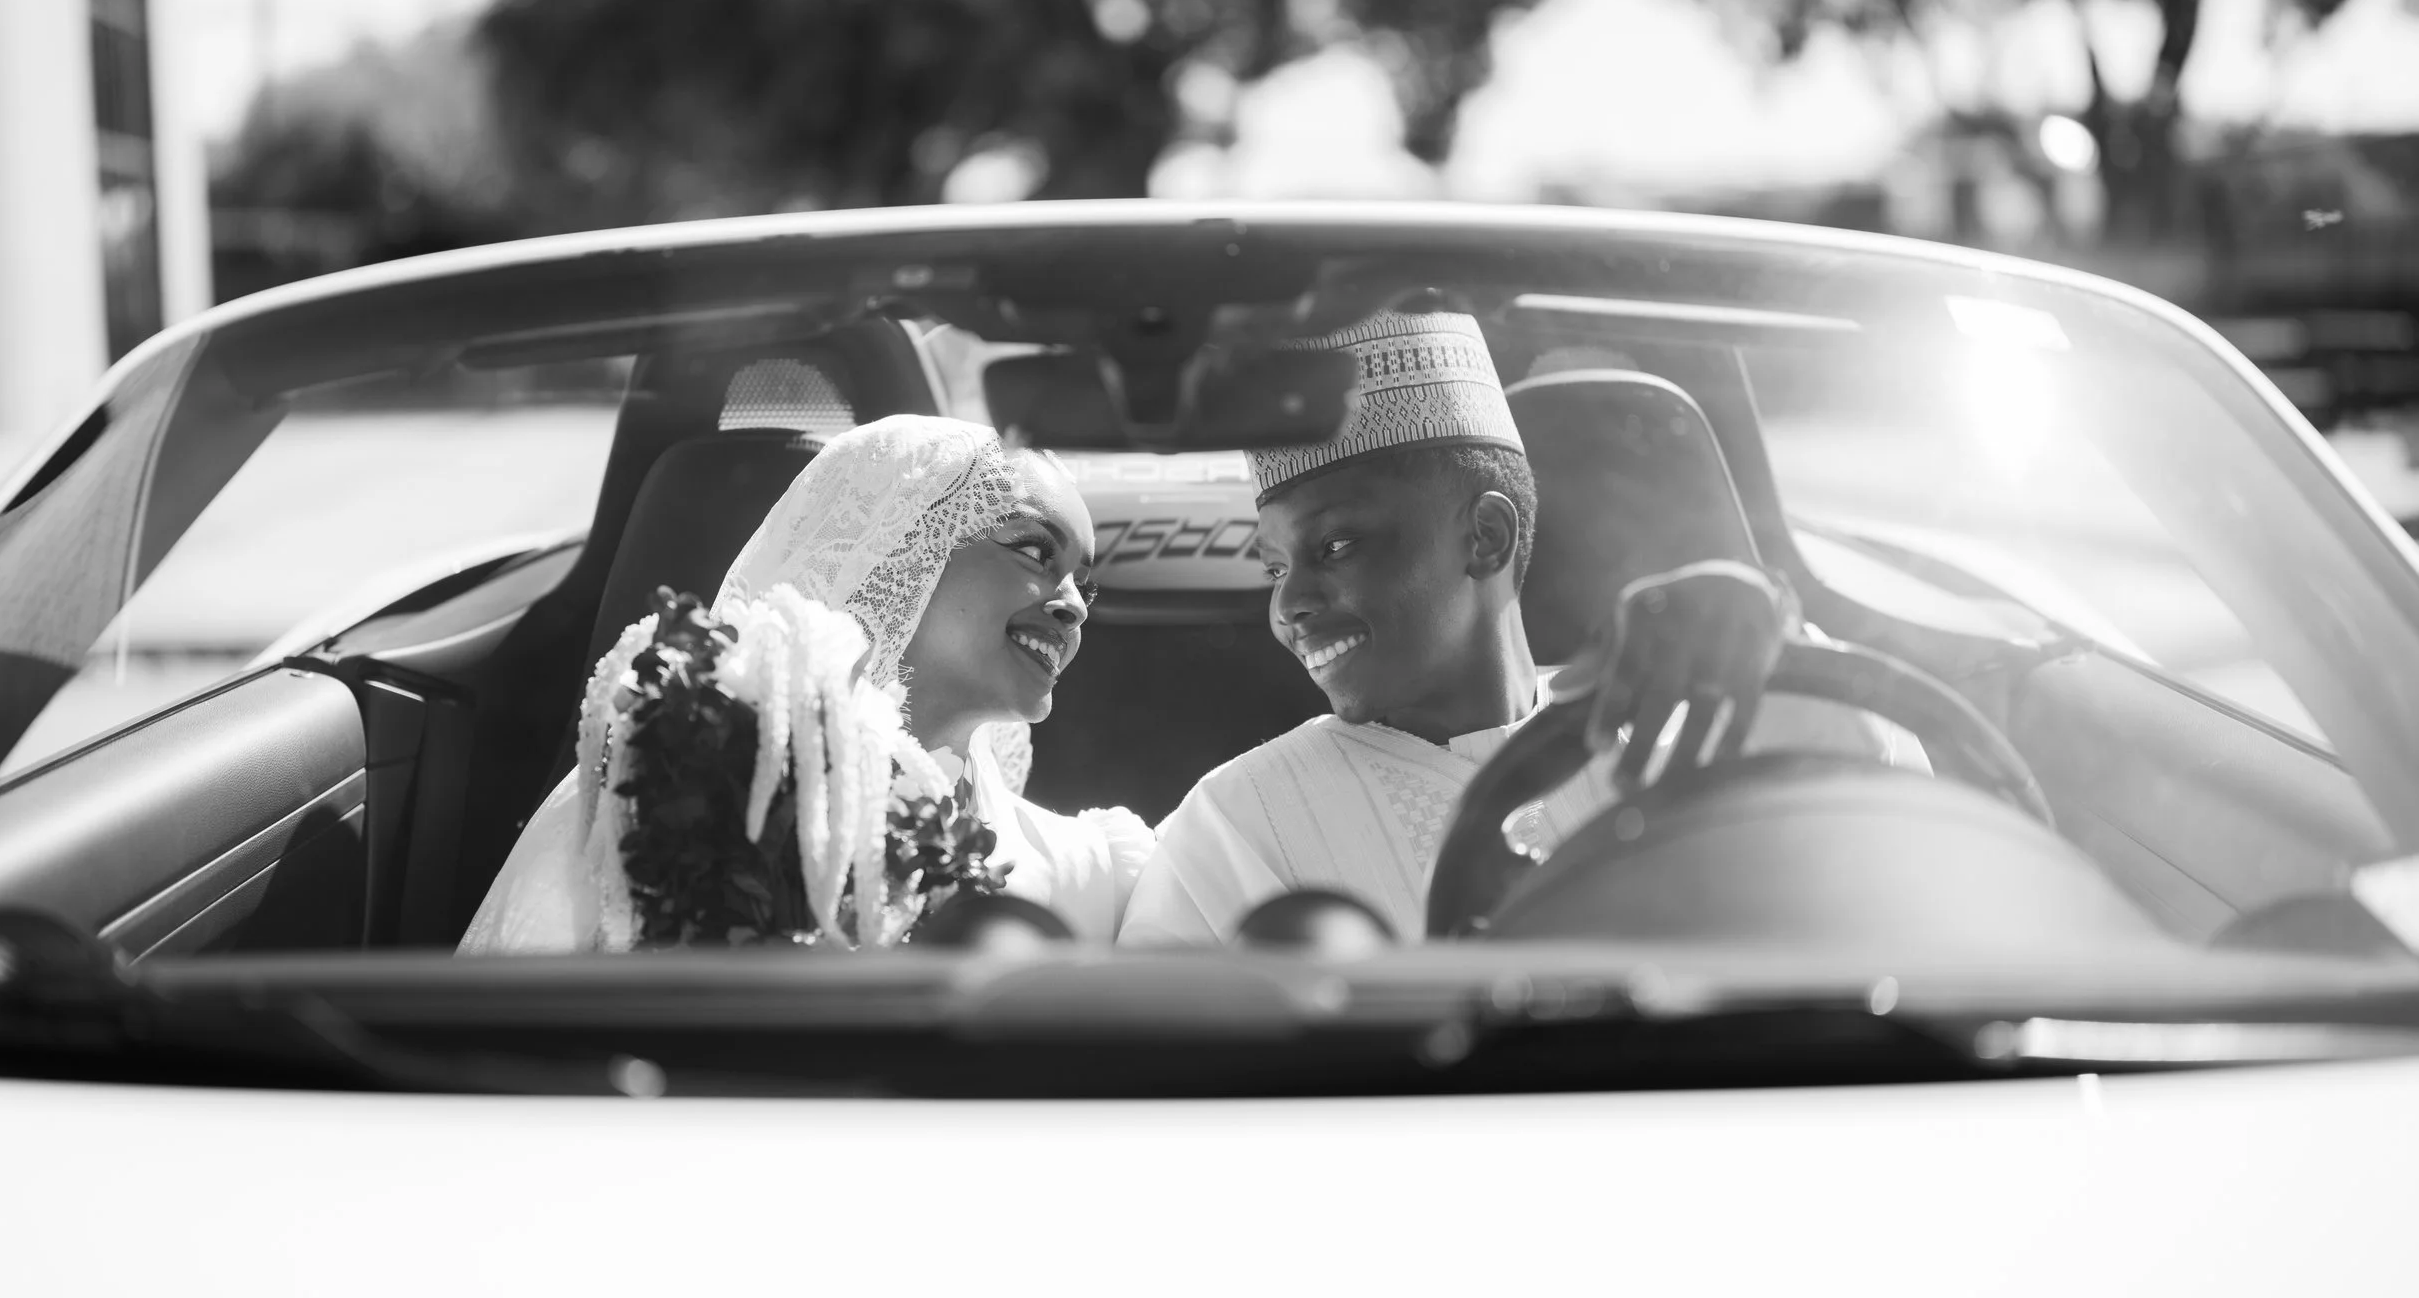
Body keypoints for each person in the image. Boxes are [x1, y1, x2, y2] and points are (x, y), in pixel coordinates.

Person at [1116, 311, 1904, 947]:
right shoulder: (1236, 822)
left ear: (1485, 537)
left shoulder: (1686, 709)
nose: (1290, 606)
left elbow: (1903, 850)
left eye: (1336, 546)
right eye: (1275, 568)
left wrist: (1769, 639)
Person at [459, 414, 1151, 953]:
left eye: (1085, 585)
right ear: (901, 549)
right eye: (1035, 550)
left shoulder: (1084, 866)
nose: (1073, 603)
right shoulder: (664, 774)